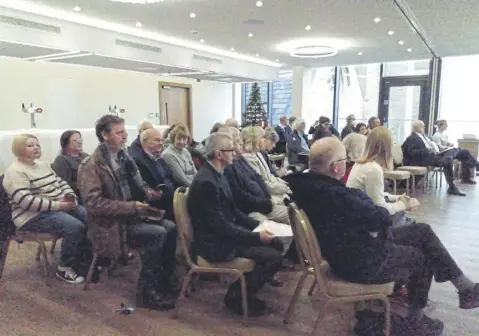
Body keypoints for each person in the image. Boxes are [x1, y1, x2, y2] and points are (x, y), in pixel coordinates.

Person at [286, 137, 479, 334]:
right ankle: (415, 322)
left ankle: (465, 287)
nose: (348, 163)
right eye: (345, 160)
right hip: (358, 262)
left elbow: (363, 210)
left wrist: (361, 199)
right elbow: (380, 218)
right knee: (421, 259)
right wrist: (363, 199)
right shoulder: (333, 195)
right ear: (336, 167)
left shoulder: (309, 186)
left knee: (422, 232)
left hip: (349, 250)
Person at [78, 115, 178, 311]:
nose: (125, 136)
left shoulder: (124, 157)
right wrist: (132, 207)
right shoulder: (91, 165)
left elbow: (136, 186)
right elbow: (94, 204)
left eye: (125, 131)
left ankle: (163, 280)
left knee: (171, 227)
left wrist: (149, 194)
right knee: (158, 234)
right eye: (119, 132)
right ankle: (146, 293)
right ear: (105, 135)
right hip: (110, 226)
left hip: (128, 217)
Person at [187, 132, 283, 317]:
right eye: (230, 150)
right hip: (214, 244)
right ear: (219, 154)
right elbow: (220, 226)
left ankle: (242, 292)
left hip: (221, 235)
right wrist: (256, 236)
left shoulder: (217, 174)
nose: (235, 153)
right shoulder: (207, 182)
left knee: (275, 242)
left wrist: (260, 225)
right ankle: (237, 298)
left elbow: (232, 212)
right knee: (272, 256)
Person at [3, 134, 86, 284]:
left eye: (37, 145)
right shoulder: (14, 171)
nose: (36, 147)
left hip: (55, 207)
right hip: (31, 215)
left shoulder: (42, 165)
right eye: (30, 145)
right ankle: (64, 268)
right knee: (74, 226)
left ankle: (82, 259)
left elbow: (60, 182)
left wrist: (70, 196)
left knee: (88, 216)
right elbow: (25, 202)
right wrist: (59, 205)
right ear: (19, 148)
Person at [347, 127, 419, 216]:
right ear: (388, 147)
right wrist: (404, 204)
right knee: (405, 216)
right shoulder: (373, 169)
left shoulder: (360, 164)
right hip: (364, 218)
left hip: (358, 212)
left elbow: (375, 194)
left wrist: (397, 198)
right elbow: (381, 209)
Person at [402, 120, 479, 196]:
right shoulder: (412, 138)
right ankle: (452, 187)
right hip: (426, 157)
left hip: (435, 153)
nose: (424, 127)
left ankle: (476, 166)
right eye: (422, 126)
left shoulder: (424, 136)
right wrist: (428, 149)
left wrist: (433, 148)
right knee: (447, 160)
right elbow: (412, 152)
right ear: (417, 127)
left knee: (462, 151)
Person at [128, 127, 177, 220]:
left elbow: (170, 177)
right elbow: (154, 188)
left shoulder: (158, 158)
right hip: (158, 205)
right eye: (157, 140)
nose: (161, 143)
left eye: (162, 140)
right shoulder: (139, 162)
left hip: (170, 197)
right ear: (145, 141)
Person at [242, 126, 291, 205]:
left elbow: (270, 177)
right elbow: (263, 182)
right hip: (268, 196)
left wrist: (285, 185)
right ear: (254, 140)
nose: (264, 139)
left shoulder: (258, 153)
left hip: (272, 191)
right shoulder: (248, 157)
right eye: (261, 137)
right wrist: (285, 188)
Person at [51, 130, 89, 198]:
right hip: (77, 196)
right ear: (66, 143)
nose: (80, 142)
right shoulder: (61, 160)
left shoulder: (86, 156)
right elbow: (65, 184)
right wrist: (88, 185)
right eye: (75, 140)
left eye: (80, 139)